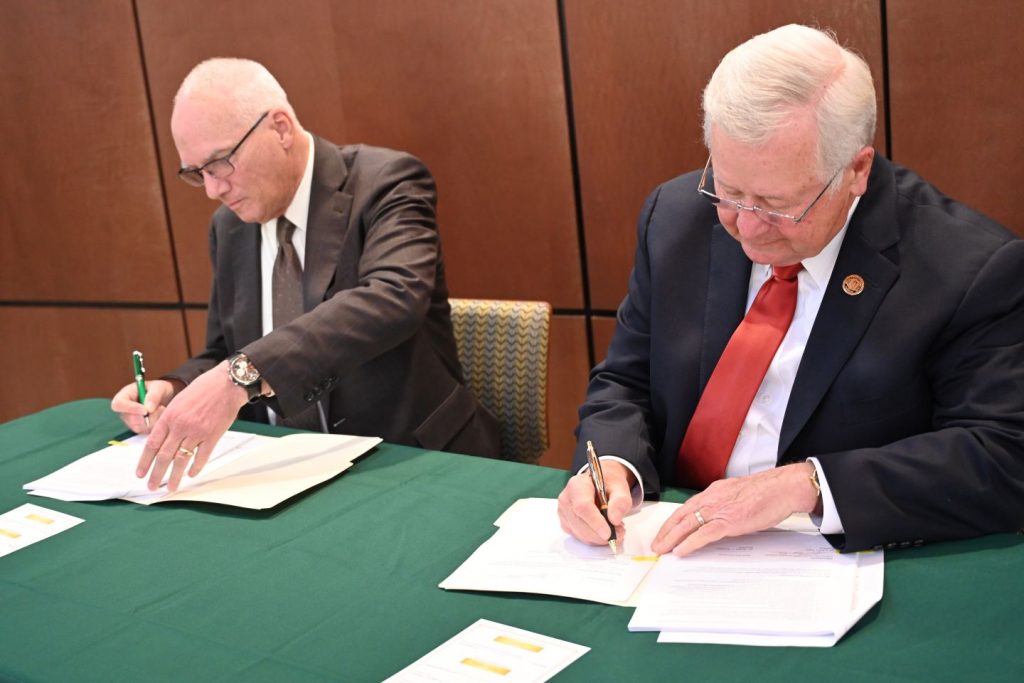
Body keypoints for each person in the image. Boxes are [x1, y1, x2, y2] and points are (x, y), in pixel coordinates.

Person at [558, 24, 1024, 555]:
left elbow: (1004, 456)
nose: (746, 227)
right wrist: (611, 464)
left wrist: (808, 485)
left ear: (856, 171)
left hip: (842, 560)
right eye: (730, 190)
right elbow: (626, 378)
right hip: (665, 548)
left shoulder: (970, 269)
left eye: (778, 205)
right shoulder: (675, 218)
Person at [112, 58, 500, 492]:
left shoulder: (386, 181)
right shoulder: (229, 227)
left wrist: (238, 376)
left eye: (220, 162)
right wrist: (175, 387)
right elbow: (227, 349)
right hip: (284, 470)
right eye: (196, 173)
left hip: (407, 462)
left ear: (279, 127)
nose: (212, 189)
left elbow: (393, 298)